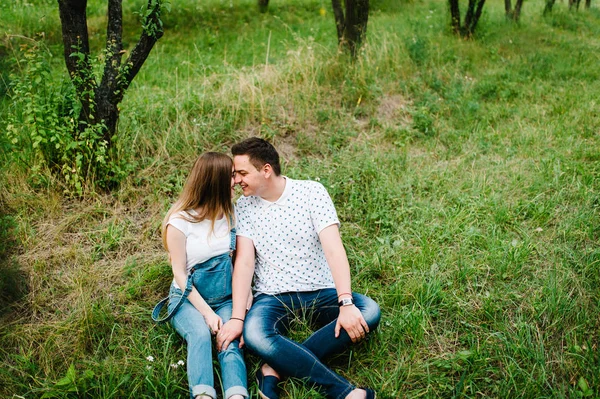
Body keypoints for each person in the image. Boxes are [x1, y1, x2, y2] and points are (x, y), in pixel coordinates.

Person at [217, 138, 381, 399]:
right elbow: (245, 263)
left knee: (369, 311)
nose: (236, 180)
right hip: (273, 298)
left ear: (266, 170)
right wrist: (237, 318)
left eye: (242, 173)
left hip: (320, 290)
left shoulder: (311, 192)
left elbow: (334, 249)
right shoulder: (245, 207)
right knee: (255, 333)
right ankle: (344, 393)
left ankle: (274, 367)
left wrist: (346, 303)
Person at [152, 152, 248, 399]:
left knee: (229, 339)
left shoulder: (231, 213)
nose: (235, 181)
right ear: (214, 182)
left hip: (226, 297)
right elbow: (180, 274)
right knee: (201, 335)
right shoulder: (180, 222)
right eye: (230, 176)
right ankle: (203, 394)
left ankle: (237, 394)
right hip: (188, 299)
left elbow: (238, 260)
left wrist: (245, 298)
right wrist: (207, 314)